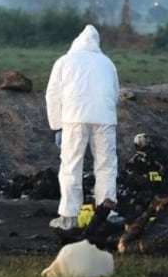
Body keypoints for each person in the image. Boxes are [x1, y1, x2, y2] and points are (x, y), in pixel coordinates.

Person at [45, 24, 120, 230]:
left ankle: (69, 217)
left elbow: (53, 95)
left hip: (74, 118)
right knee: (106, 166)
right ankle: (108, 212)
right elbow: (115, 93)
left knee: (71, 166)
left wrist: (57, 126)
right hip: (104, 119)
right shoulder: (107, 62)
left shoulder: (64, 62)